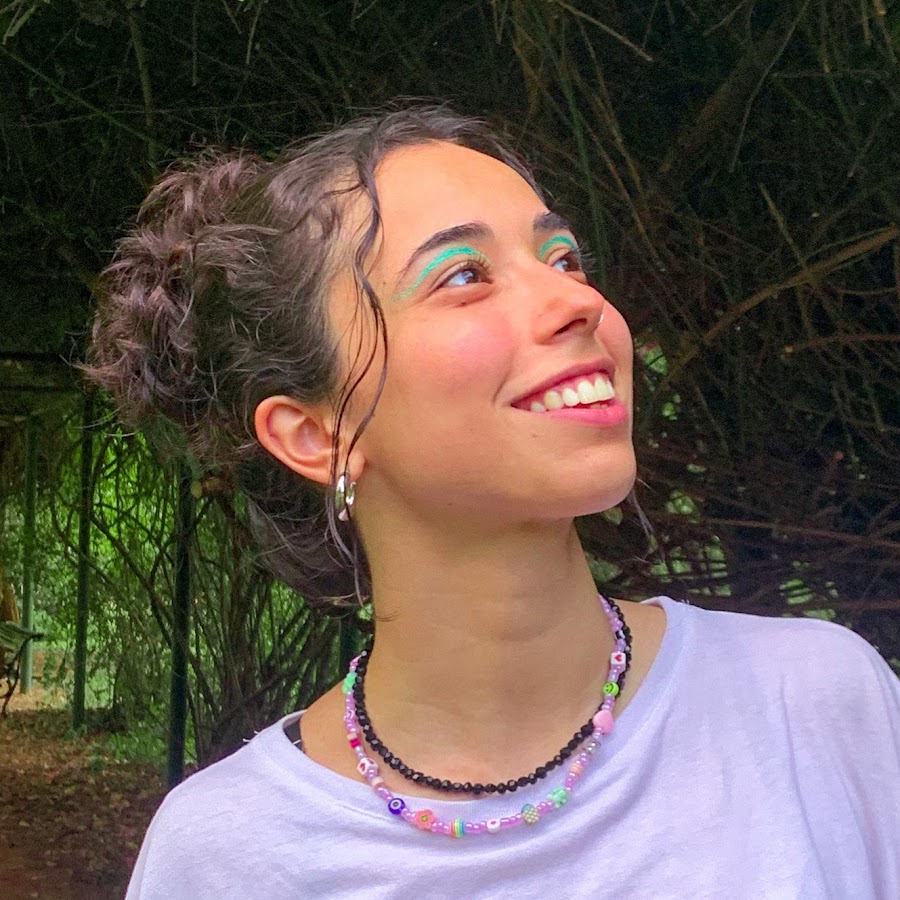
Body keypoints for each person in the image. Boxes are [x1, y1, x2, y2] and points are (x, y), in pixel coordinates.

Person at [89, 104, 900, 899]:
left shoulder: (819, 704)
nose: (580, 302)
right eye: (464, 276)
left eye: (564, 258)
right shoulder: (228, 855)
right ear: (314, 435)